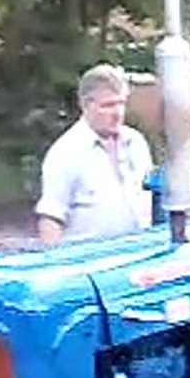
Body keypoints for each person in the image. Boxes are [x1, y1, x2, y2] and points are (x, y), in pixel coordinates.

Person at [35, 64, 154, 245]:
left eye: (121, 103)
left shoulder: (136, 142)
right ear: (85, 105)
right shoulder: (66, 153)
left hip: (137, 256)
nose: (117, 113)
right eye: (108, 105)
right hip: (90, 264)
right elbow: (51, 218)